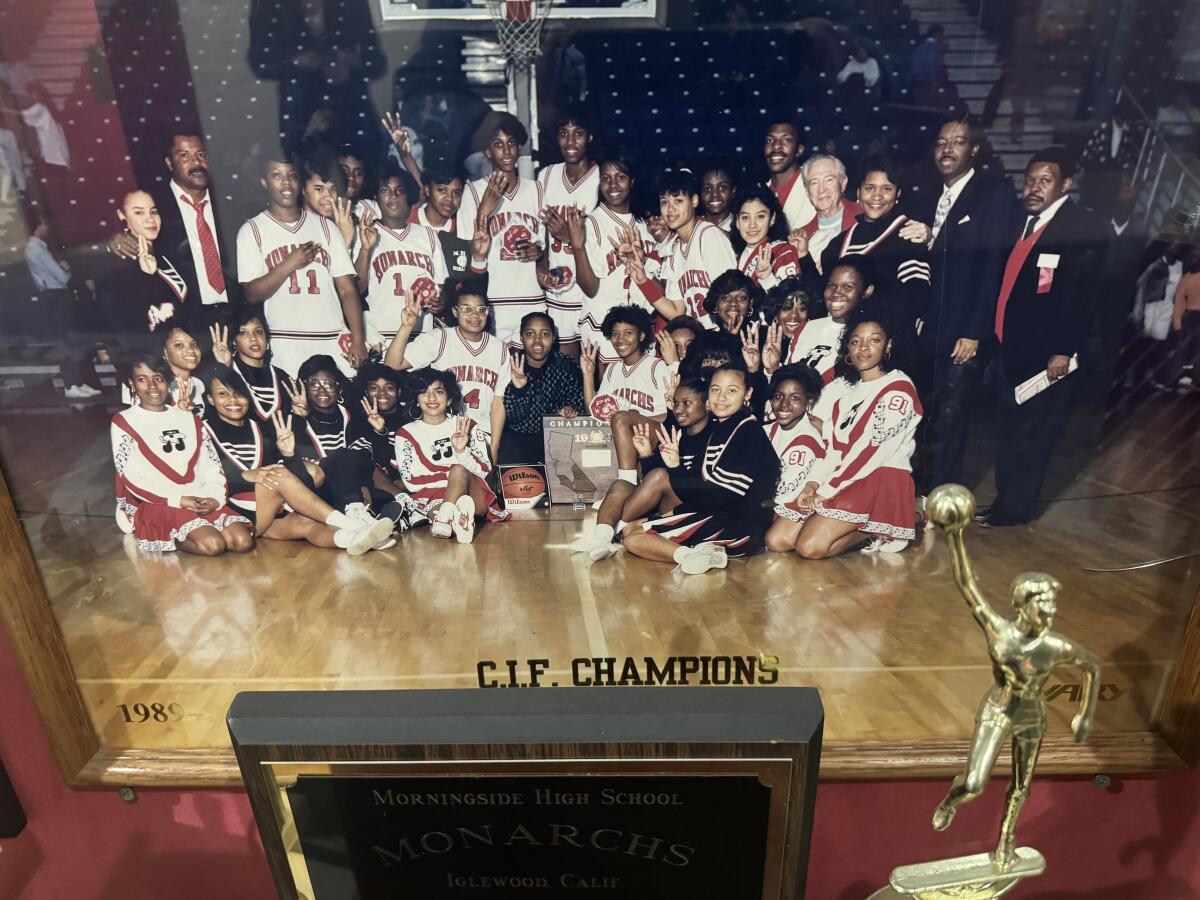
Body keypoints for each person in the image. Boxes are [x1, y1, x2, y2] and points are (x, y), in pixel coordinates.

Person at [981, 148, 1106, 527]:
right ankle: (1006, 500)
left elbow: (1080, 297)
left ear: (1065, 185)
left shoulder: (1080, 226)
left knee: (1032, 435)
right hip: (1010, 349)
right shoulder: (1023, 221)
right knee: (1008, 430)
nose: (1034, 188)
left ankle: (1016, 510)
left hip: (1046, 357)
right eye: (1030, 180)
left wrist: (1062, 350)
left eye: (1045, 181)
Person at [913, 118, 1019, 492]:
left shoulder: (994, 195)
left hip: (963, 330)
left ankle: (942, 495)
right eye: (942, 142)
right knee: (925, 412)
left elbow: (993, 269)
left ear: (974, 150)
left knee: (952, 415)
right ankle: (919, 491)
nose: (947, 149)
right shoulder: (928, 195)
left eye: (958, 142)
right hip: (930, 329)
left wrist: (975, 332)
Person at [201, 364, 394, 552]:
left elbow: (301, 480)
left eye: (238, 393)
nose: (233, 401)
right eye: (222, 394)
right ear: (210, 399)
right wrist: (247, 475)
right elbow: (205, 478)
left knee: (307, 524)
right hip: (236, 512)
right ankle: (351, 524)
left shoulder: (262, 428)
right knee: (279, 474)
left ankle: (364, 540)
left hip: (270, 509)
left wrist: (288, 455)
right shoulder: (203, 430)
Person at [788, 305, 923, 557]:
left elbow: (873, 452)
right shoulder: (845, 398)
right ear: (847, 350)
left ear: (888, 346)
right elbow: (833, 450)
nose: (863, 348)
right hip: (851, 476)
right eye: (855, 341)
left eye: (874, 340)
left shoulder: (898, 388)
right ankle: (877, 524)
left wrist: (826, 492)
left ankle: (889, 523)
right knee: (788, 539)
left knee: (809, 547)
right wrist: (812, 483)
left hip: (882, 478)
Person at [621, 364, 780, 574]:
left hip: (741, 527)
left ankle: (692, 556)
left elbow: (720, 497)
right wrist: (674, 473)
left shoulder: (747, 433)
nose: (721, 397)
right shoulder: (723, 427)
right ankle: (699, 552)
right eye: (715, 389)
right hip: (718, 514)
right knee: (630, 529)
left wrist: (676, 473)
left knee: (634, 539)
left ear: (747, 394)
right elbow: (702, 488)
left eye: (731, 390)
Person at [236, 152, 368, 377]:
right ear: (264, 181)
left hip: (331, 338)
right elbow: (250, 294)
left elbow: (347, 289)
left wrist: (358, 339)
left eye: (292, 175)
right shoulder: (252, 230)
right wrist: (289, 265)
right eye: (277, 175)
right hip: (285, 342)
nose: (286, 182)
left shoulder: (326, 228)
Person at [111, 353, 253, 556]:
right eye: (142, 379)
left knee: (242, 541)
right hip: (160, 501)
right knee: (214, 545)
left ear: (168, 382)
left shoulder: (189, 419)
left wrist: (215, 498)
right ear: (131, 383)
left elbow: (211, 466)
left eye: (158, 378)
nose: (152, 386)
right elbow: (132, 479)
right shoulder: (124, 421)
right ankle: (171, 537)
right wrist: (179, 499)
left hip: (199, 496)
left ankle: (198, 528)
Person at [572, 376, 711, 561]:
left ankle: (612, 534)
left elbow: (694, 486)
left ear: (707, 405)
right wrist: (646, 454)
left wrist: (675, 466)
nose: (678, 409)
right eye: (676, 403)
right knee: (621, 485)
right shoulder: (675, 428)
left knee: (660, 476)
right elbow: (652, 476)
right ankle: (601, 538)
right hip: (665, 500)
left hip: (689, 507)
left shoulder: (714, 436)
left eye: (687, 403)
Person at [107, 133, 237, 327]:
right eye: (185, 156)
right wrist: (116, 238)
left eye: (201, 154)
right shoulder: (157, 206)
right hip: (190, 318)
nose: (196, 162)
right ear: (169, 163)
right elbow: (134, 224)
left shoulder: (230, 205)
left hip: (236, 309)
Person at [384, 278, 509, 461]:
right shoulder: (439, 339)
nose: (474, 315)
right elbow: (392, 364)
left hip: (483, 434)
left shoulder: (500, 348)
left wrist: (495, 447)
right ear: (455, 312)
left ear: (487, 313)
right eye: (466, 309)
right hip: (443, 433)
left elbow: (499, 403)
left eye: (480, 309)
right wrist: (407, 326)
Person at [559, 152, 665, 363]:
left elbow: (659, 291)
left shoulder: (645, 225)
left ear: (632, 181)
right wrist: (578, 247)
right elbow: (590, 289)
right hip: (603, 329)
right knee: (605, 394)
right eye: (606, 178)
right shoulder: (592, 224)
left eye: (620, 177)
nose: (613, 184)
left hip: (642, 329)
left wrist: (642, 262)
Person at [456, 118, 545, 347]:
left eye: (511, 142)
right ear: (487, 151)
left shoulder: (536, 190)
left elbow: (548, 245)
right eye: (498, 144)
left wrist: (539, 252)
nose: (506, 150)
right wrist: (484, 211)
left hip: (533, 299)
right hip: (494, 301)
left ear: (519, 148)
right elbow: (466, 254)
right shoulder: (474, 192)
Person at [393, 367, 506, 543]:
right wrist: (451, 481)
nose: (431, 398)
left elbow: (484, 471)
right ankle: (459, 518)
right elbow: (411, 482)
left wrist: (461, 452)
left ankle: (448, 518)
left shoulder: (467, 425)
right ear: (416, 399)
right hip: (432, 496)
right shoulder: (405, 433)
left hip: (473, 491)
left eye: (438, 391)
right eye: (424, 392)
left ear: (449, 398)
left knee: (458, 470)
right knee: (444, 500)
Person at [354, 160, 449, 343]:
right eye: (385, 190)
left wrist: (440, 302)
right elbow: (356, 289)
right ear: (376, 196)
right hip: (381, 338)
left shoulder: (427, 235)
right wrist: (366, 250)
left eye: (400, 190)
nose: (393, 196)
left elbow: (441, 286)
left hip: (422, 338)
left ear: (408, 195)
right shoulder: (366, 233)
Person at [582, 305, 674, 488]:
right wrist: (587, 375)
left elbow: (671, 417)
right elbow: (594, 413)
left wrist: (632, 420)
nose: (620, 339)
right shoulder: (613, 370)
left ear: (641, 336)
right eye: (615, 334)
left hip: (658, 434)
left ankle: (626, 484)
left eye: (628, 333)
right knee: (616, 422)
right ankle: (616, 486)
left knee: (621, 418)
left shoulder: (657, 367)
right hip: (628, 437)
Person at [628, 169, 738, 319]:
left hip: (721, 334)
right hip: (700, 336)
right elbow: (676, 312)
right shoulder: (674, 249)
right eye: (664, 202)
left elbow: (733, 298)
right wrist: (642, 281)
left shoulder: (709, 236)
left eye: (678, 201)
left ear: (694, 201)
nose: (670, 209)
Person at [537, 109, 600, 357]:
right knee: (566, 370)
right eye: (564, 134)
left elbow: (604, 235)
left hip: (590, 287)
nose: (571, 142)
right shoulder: (547, 175)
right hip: (558, 290)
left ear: (590, 137)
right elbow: (539, 232)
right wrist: (540, 266)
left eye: (578, 134)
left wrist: (569, 235)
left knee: (594, 367)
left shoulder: (602, 179)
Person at [500, 312, 585, 465]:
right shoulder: (511, 366)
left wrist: (570, 410)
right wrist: (519, 391)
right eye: (530, 334)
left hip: (556, 437)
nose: (537, 340)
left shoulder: (565, 364)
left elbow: (578, 400)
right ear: (521, 338)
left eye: (545, 334)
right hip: (518, 440)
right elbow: (510, 418)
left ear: (553, 338)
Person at [782, 257, 876, 385]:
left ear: (867, 291)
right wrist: (772, 368)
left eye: (847, 287)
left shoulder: (869, 339)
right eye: (831, 285)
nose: (836, 293)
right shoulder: (807, 327)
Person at [762, 364, 827, 548]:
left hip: (798, 499)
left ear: (809, 402)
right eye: (778, 396)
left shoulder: (808, 439)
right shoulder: (765, 431)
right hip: (773, 501)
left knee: (775, 541)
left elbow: (784, 493)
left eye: (795, 398)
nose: (784, 404)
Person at [107, 190, 188, 336]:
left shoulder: (167, 252)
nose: (150, 219)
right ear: (122, 215)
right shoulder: (121, 261)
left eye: (154, 211)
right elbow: (127, 323)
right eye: (139, 213)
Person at [209, 308, 292, 423]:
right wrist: (225, 369)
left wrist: (301, 414)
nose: (253, 338)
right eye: (243, 333)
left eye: (258, 332)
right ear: (234, 341)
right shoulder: (226, 372)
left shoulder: (283, 378)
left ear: (266, 337)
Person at [788, 154, 862, 269]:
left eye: (829, 180)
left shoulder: (865, 216)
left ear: (843, 183)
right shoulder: (801, 238)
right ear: (807, 192)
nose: (821, 189)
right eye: (814, 183)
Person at [730, 184, 800, 290]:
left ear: (772, 219)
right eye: (745, 217)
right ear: (737, 222)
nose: (752, 225)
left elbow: (791, 300)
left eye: (760, 217)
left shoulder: (782, 252)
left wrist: (767, 278)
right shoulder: (737, 256)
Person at [763, 120, 815, 233]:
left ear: (799, 150)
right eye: (769, 140)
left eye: (787, 140)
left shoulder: (816, 189)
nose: (776, 146)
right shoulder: (759, 193)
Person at [160, 321, 207, 415]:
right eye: (179, 345)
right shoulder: (159, 386)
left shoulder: (198, 384)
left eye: (194, 344)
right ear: (165, 352)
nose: (190, 349)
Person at [699, 161, 735, 233]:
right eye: (707, 189)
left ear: (733, 191)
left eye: (723, 187)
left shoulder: (743, 229)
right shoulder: (693, 228)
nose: (715, 194)